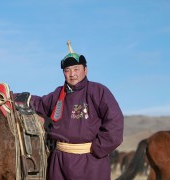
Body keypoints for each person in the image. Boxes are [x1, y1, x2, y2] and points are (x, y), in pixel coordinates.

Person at [28, 41, 124, 180]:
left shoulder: (98, 91)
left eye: (76, 69)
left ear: (85, 70)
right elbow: (39, 103)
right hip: (59, 163)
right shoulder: (58, 94)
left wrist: (98, 148)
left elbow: (115, 121)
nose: (72, 74)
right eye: (67, 70)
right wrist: (14, 96)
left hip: (90, 162)